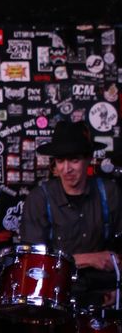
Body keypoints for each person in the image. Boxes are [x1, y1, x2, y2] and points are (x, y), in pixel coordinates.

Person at [19, 119, 122, 309]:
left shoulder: (109, 193)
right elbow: (33, 261)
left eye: (74, 160)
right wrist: (89, 259)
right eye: (60, 161)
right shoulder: (39, 198)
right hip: (57, 294)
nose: (66, 169)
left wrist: (119, 291)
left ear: (88, 159)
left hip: (104, 292)